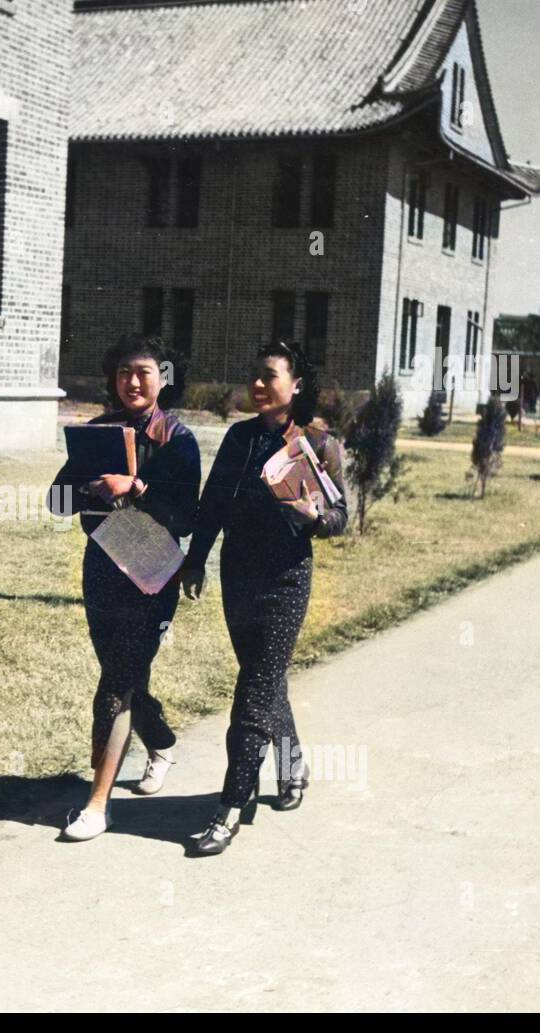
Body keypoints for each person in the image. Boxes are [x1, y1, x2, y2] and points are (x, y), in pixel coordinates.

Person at [178, 340, 348, 856]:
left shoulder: (319, 444)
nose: (257, 385)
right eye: (254, 375)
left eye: (269, 376)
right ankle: (292, 765)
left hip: (286, 580)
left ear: (295, 385)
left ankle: (231, 806)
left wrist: (314, 517)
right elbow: (211, 506)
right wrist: (196, 559)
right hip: (239, 575)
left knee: (252, 690)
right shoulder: (238, 439)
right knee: (263, 675)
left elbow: (339, 517)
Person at [47, 334, 201, 840]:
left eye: (144, 372)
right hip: (103, 566)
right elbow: (57, 501)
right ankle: (160, 742)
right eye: (123, 373)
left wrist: (135, 487)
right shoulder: (98, 433)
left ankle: (97, 805)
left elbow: (186, 515)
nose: (133, 382)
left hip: (153, 573)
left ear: (164, 378)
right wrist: (90, 484)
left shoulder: (178, 439)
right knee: (122, 673)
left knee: (116, 680)